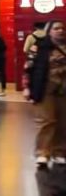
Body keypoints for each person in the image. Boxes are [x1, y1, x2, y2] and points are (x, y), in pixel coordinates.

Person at [24, 20, 66, 167]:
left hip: (63, 89)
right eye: (56, 28)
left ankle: (59, 152)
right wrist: (27, 87)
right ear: (49, 31)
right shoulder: (39, 47)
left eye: (62, 28)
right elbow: (28, 68)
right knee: (46, 121)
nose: (60, 30)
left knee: (63, 122)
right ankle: (42, 153)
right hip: (44, 88)